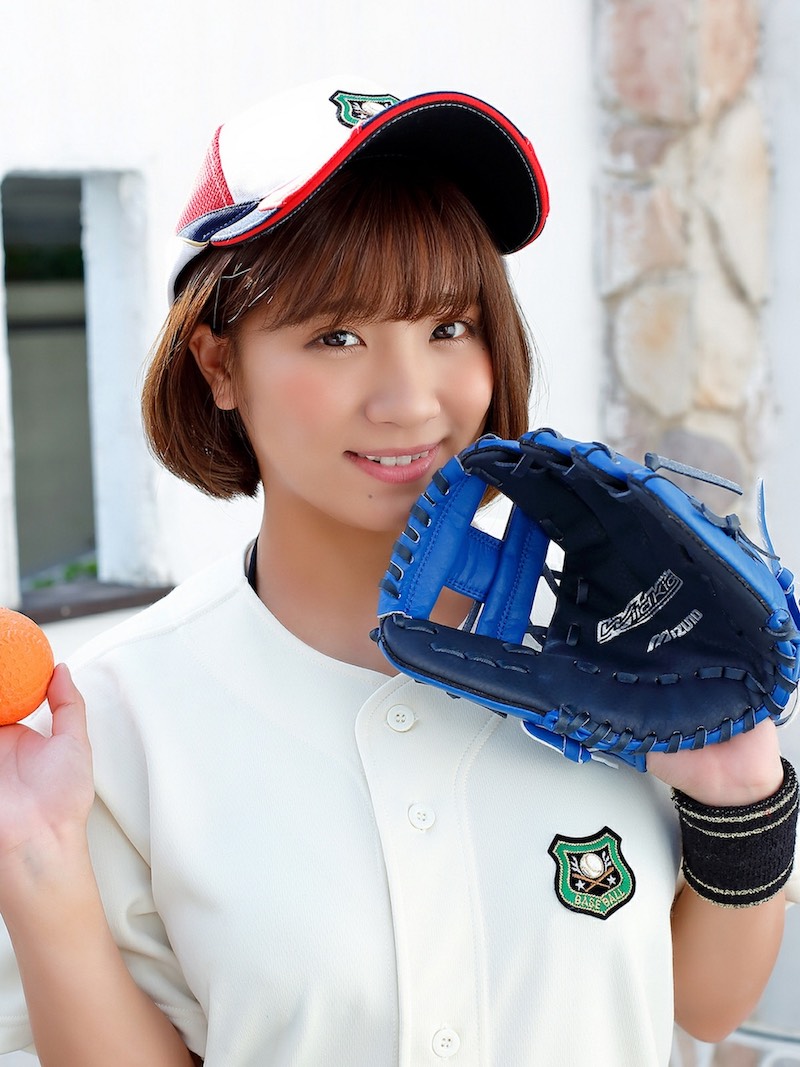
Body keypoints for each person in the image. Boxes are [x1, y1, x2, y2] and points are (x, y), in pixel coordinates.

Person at [0, 75, 797, 1067]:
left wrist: (737, 792)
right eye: (336, 336)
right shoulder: (117, 720)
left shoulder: (621, 651)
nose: (409, 399)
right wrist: (36, 860)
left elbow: (705, 1006)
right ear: (217, 364)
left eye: (447, 327)